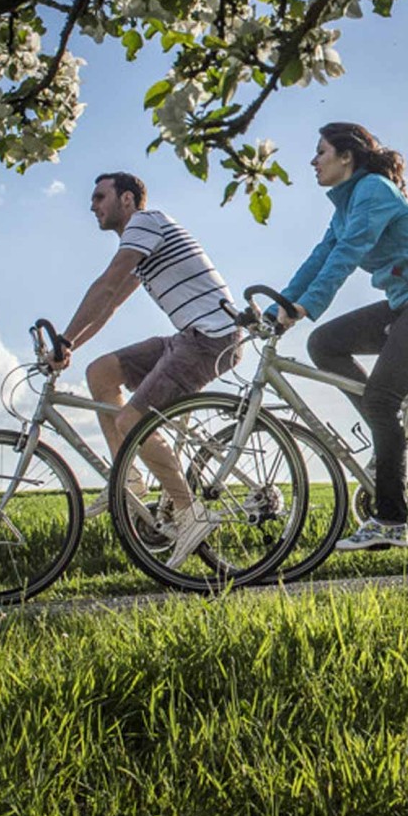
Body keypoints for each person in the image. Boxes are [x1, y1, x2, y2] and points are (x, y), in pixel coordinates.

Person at [274, 122, 408, 550]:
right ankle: (391, 435)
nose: (313, 160)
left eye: (320, 151)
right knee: (323, 343)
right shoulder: (345, 206)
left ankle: (390, 521)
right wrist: (281, 304)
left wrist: (305, 306)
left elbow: (348, 254)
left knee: (382, 401)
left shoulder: (374, 191)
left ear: (347, 156)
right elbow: (321, 256)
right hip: (407, 306)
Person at [54, 171, 243, 562]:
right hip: (189, 336)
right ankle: (130, 480)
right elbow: (111, 304)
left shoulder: (145, 221)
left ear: (127, 199)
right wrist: (70, 349)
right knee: (100, 372)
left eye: (99, 196)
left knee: (131, 421)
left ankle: (192, 514)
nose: (92, 205)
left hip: (211, 339)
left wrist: (63, 339)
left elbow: (106, 285)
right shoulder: (141, 244)